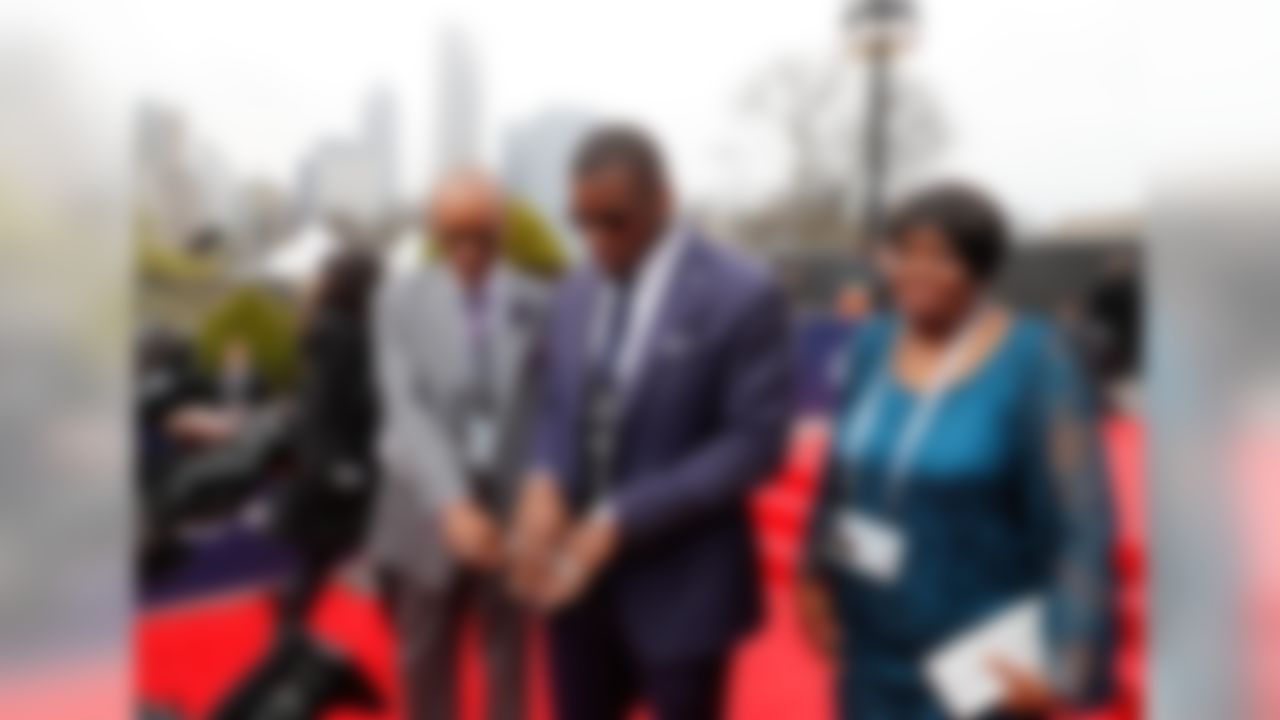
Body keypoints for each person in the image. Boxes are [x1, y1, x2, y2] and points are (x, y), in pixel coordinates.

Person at [799, 182, 1115, 719]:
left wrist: (1062, 658)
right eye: (902, 254)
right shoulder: (873, 343)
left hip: (977, 660)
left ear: (980, 268)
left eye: (940, 257)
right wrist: (812, 571)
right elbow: (840, 473)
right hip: (869, 644)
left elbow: (1081, 519)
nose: (914, 272)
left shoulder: (1037, 359)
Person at [510, 125, 792, 720]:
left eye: (615, 221)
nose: (597, 241)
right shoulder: (574, 290)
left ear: (664, 199)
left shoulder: (744, 292)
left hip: (683, 588)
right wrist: (544, 478)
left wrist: (620, 519)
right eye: (581, 222)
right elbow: (559, 404)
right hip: (574, 591)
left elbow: (754, 442)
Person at [370, 170, 550, 720]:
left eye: (483, 234)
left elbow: (550, 409)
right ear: (433, 231)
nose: (470, 250)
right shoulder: (399, 300)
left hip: (511, 514)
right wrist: (450, 502)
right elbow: (406, 407)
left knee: (510, 662)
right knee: (423, 666)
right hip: (426, 510)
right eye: (454, 235)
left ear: (504, 226)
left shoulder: (544, 302)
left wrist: (543, 501)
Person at [276, 249, 382, 628]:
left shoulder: (334, 327)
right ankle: (287, 632)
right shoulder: (342, 332)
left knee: (319, 561)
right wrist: (337, 467)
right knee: (323, 560)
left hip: (343, 468)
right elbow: (326, 406)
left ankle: (287, 630)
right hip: (341, 472)